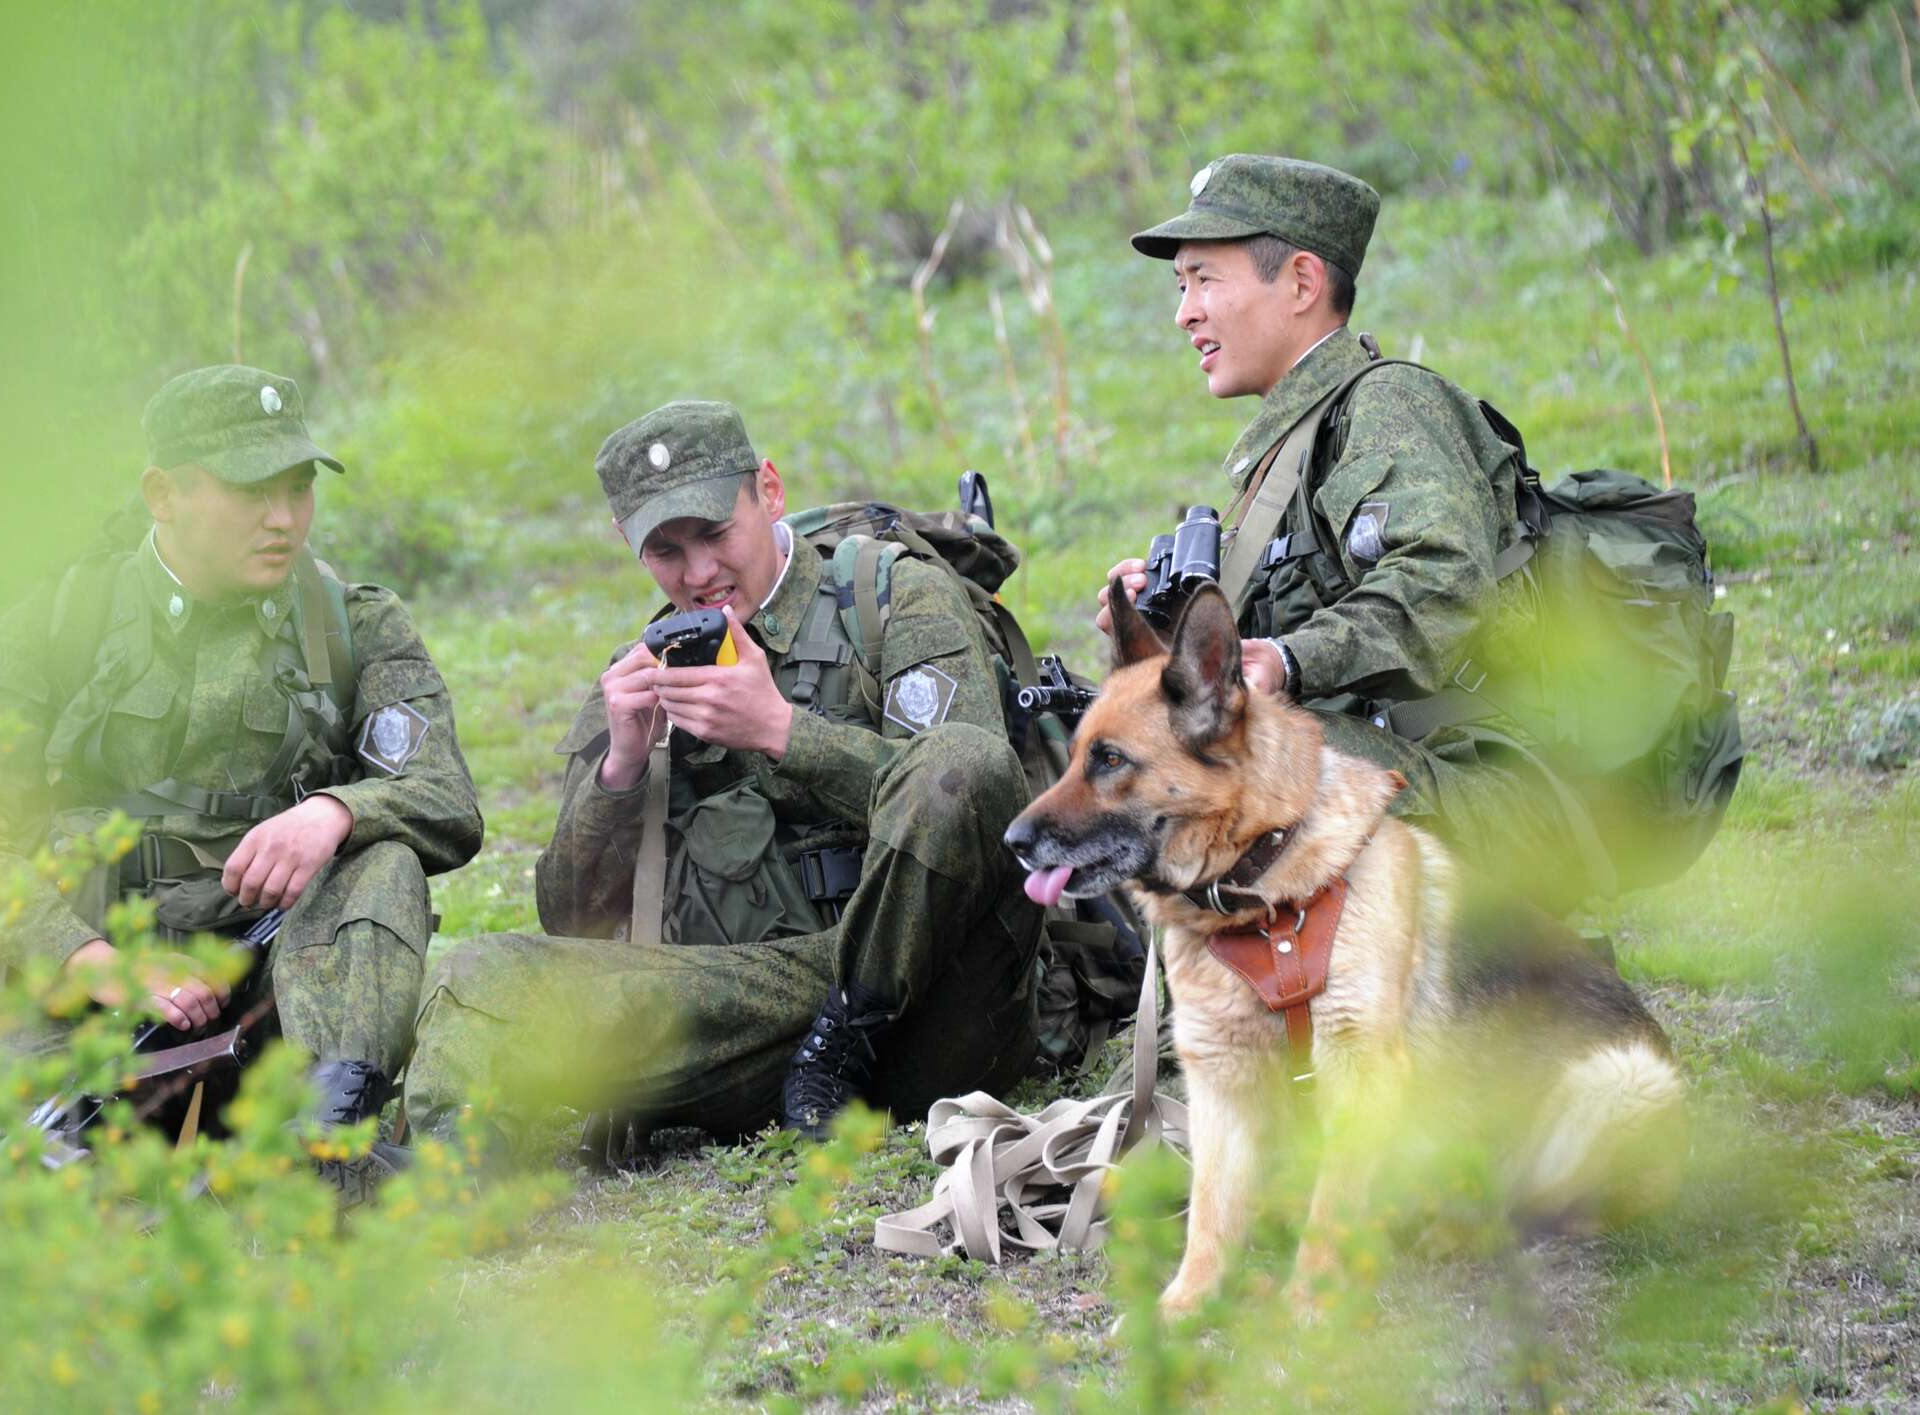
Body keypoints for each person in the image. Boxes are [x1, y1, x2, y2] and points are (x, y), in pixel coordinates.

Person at [405, 400, 1041, 1146]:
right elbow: (568, 918)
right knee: (475, 975)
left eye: (713, 533)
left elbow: (975, 799)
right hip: (751, 1015)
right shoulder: (643, 672)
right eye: (666, 551)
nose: (699, 572)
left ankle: (842, 1039)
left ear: (768, 491)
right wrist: (622, 767)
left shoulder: (895, 598)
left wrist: (780, 732)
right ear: (628, 545)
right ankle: (456, 1174)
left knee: (960, 758)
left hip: (930, 1004)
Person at [0, 363, 483, 1195]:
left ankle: (326, 1142)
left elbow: (446, 798)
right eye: (251, 491)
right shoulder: (59, 625)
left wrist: (337, 811)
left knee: (384, 860)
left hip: (285, 986)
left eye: (299, 487)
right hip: (96, 983)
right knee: (12, 1179)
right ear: (164, 494)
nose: (284, 519)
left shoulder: (352, 620)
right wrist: (88, 958)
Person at [1101, 154, 1605, 905]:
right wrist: (1151, 641)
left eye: (1206, 280)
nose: (1186, 312)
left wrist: (1286, 659)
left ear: (1302, 283)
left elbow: (1441, 581)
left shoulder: (1387, 405)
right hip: (1407, 778)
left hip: (1489, 788)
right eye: (1182, 287)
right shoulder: (1288, 451)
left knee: (1252, 763)